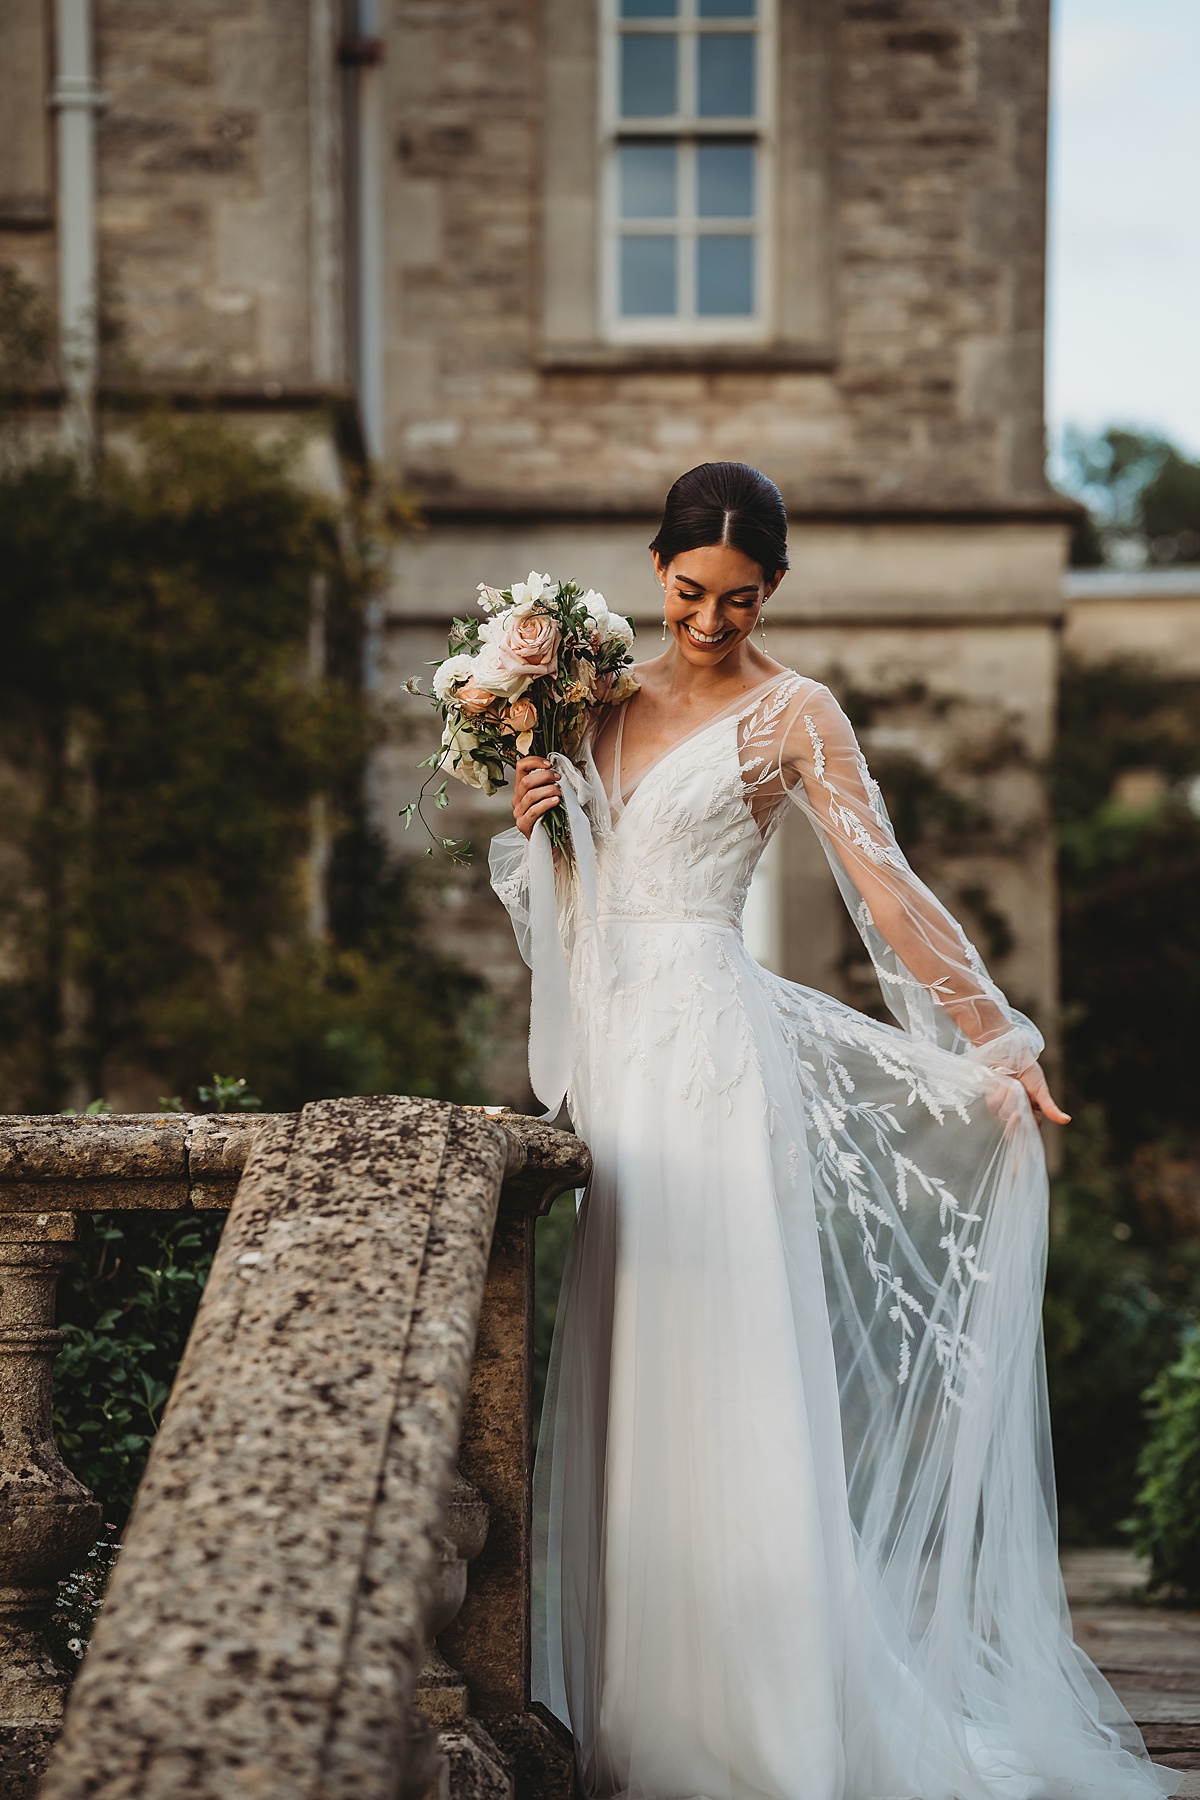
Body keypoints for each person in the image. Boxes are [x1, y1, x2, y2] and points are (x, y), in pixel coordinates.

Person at [488, 463, 1177, 1800]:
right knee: (640, 1371)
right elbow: (583, 895)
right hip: (622, 1059)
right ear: (656, 574)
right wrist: (538, 830)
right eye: (689, 594)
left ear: (775, 592)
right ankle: (651, 1710)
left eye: (738, 601)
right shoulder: (596, 701)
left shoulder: (795, 714)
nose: (709, 623)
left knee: (730, 1360)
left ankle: (775, 1723)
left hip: (710, 1059)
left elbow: (889, 889)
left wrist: (996, 1035)